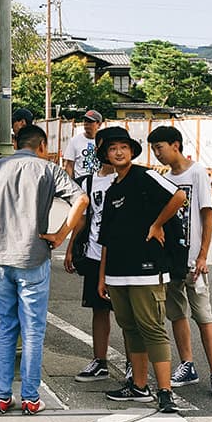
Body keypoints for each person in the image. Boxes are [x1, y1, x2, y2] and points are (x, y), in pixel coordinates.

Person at [0, 124, 88, 415]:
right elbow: (81, 200)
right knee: (33, 330)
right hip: (34, 257)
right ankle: (30, 397)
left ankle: (1, 396)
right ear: (42, 145)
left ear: (16, 143)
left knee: (6, 327)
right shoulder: (48, 170)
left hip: (0, 259)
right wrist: (60, 235)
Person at [96, 126, 188, 414]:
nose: (119, 152)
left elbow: (178, 197)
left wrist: (157, 224)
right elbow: (106, 239)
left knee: (152, 329)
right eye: (113, 149)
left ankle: (165, 392)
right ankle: (138, 386)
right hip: (116, 272)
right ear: (107, 155)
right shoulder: (112, 191)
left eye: (124, 147)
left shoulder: (144, 175)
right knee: (130, 329)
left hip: (147, 269)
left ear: (132, 151)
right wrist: (102, 277)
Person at [148, 126, 212, 400]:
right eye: (153, 148)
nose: (156, 153)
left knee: (204, 315)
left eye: (159, 147)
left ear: (175, 145)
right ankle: (187, 364)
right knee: (177, 313)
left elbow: (207, 215)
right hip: (173, 259)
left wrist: (204, 254)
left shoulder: (196, 172)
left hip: (194, 259)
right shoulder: (164, 177)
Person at [63, 135, 118, 383]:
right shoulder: (88, 182)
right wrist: (70, 247)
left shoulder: (129, 178)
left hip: (124, 258)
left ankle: (132, 364)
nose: (113, 152)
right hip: (94, 253)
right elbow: (83, 217)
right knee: (99, 309)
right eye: (108, 146)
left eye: (120, 147)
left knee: (128, 315)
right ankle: (100, 361)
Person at [62, 110, 104, 181]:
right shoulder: (75, 141)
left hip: (100, 182)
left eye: (90, 121)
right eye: (85, 121)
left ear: (99, 124)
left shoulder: (103, 141)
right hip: (81, 183)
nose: (86, 123)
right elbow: (69, 165)